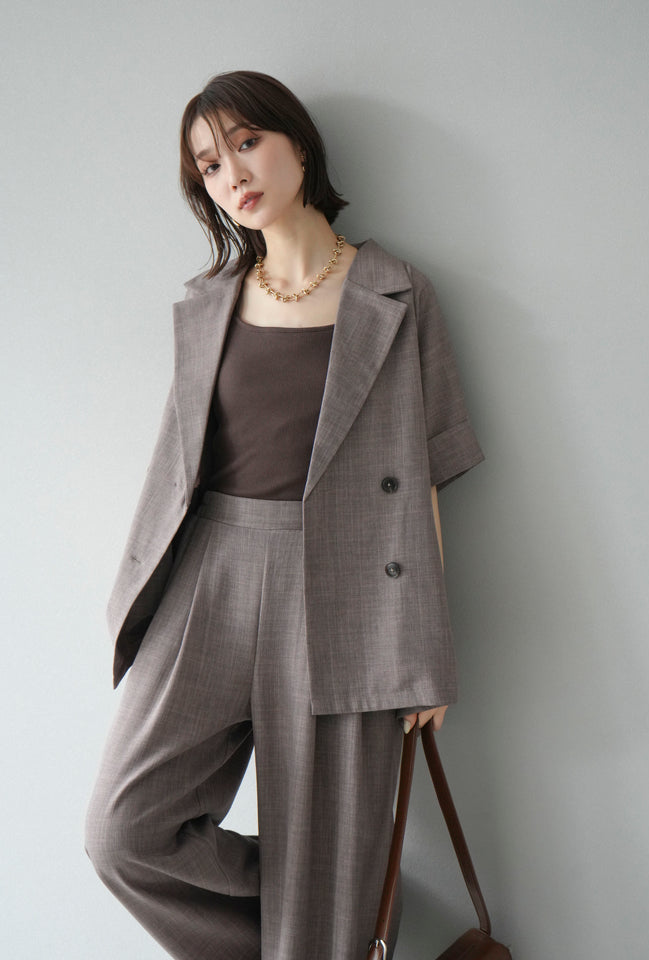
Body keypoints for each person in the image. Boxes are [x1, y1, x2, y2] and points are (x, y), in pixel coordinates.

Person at [85, 70, 484, 960]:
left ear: (298, 143)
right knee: (123, 832)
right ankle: (328, 897)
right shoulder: (211, 304)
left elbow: (421, 480)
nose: (232, 174)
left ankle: (332, 907)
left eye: (246, 143)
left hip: (346, 588)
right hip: (208, 578)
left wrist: (422, 652)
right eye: (208, 165)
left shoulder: (398, 294)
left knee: (327, 881)